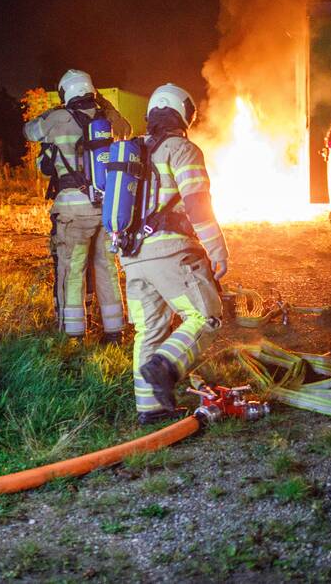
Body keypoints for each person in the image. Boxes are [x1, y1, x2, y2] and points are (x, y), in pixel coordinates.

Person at [121, 83, 229, 424]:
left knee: (149, 331)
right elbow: (197, 202)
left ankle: (150, 410)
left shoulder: (132, 153)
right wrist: (216, 249)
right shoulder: (182, 149)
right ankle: (165, 368)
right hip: (170, 253)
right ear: (183, 114)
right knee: (205, 315)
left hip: (132, 258)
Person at [23, 69, 131, 341]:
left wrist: (54, 111)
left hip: (73, 211)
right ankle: (114, 331)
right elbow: (127, 130)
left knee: (72, 269)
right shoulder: (107, 119)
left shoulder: (58, 119)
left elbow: (29, 131)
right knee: (107, 268)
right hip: (107, 209)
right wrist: (105, 106)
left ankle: (73, 336)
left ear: (66, 92)